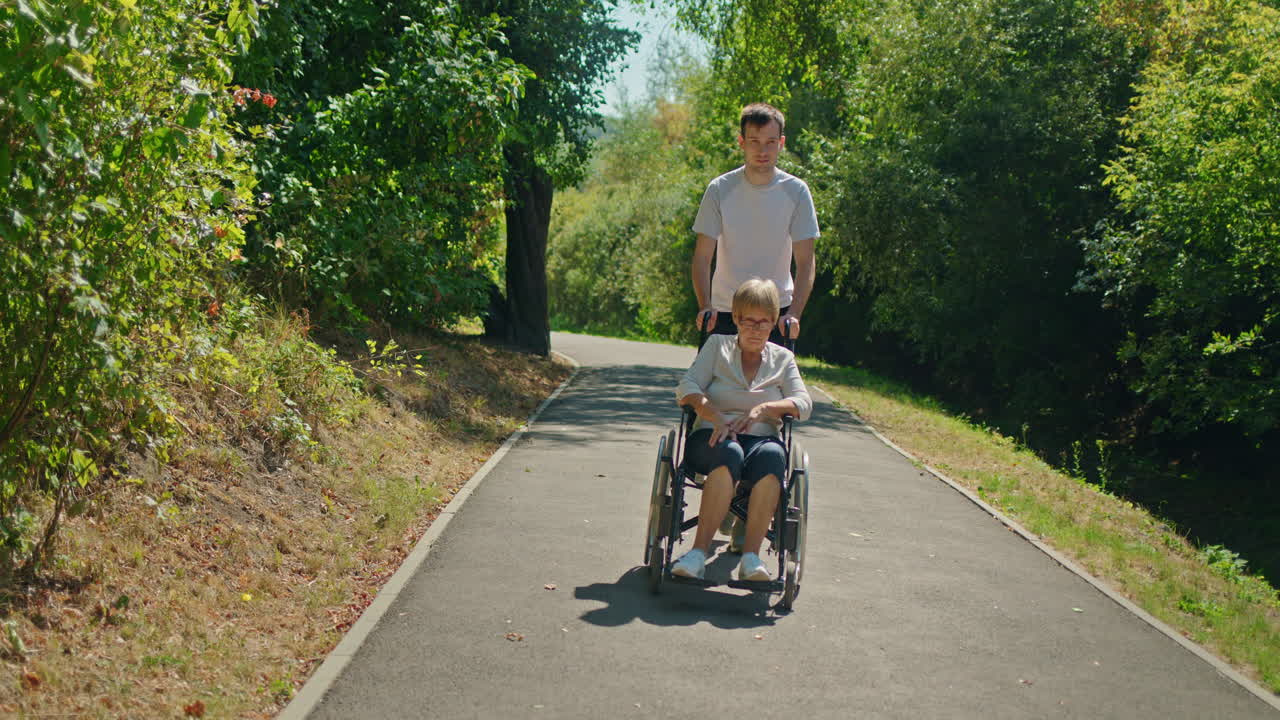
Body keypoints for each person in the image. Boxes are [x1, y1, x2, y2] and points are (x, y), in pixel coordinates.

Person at [671, 278, 812, 582]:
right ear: (735, 318)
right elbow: (686, 386)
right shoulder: (716, 346)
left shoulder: (782, 358)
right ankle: (697, 554)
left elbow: (804, 403)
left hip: (760, 439)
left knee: (775, 455)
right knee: (729, 451)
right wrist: (713, 413)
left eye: (764, 322)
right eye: (748, 320)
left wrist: (767, 409)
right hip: (711, 435)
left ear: (774, 322)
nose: (756, 329)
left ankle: (751, 559)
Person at [691, 102, 820, 344]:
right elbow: (702, 257)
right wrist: (705, 306)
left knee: (773, 384)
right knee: (713, 383)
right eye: (754, 141)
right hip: (724, 313)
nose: (763, 150)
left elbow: (805, 262)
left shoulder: (797, 192)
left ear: (781, 143)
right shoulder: (719, 189)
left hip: (776, 315)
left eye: (770, 142)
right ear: (742, 142)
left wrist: (794, 315)